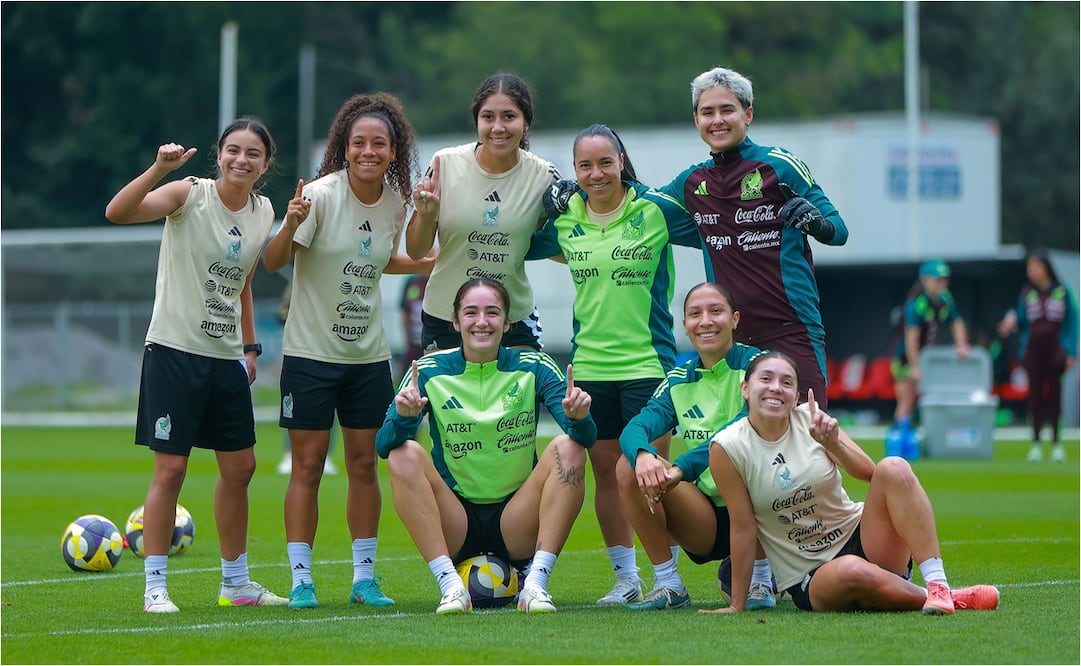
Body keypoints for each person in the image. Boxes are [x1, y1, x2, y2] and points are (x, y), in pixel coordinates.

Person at [544, 67, 848, 406]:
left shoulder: (780, 165)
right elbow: (634, 202)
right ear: (696, 120)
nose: (717, 120)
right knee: (737, 448)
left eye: (727, 110)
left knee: (811, 436)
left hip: (791, 328)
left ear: (748, 114)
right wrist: (576, 191)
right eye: (708, 112)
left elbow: (838, 232)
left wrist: (815, 222)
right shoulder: (691, 183)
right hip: (727, 335)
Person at [104, 117, 287, 613]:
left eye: (253, 153)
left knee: (241, 466)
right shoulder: (188, 193)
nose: (241, 160)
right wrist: (158, 169)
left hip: (225, 358)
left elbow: (243, 283)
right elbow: (117, 212)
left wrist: (250, 348)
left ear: (266, 165)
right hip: (172, 352)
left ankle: (236, 583)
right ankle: (155, 585)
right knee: (172, 470)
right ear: (219, 154)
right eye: (233, 150)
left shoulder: (263, 210)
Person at [263, 92, 432, 610]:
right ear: (344, 146)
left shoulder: (396, 203)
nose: (368, 152)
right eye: (358, 142)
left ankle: (364, 579)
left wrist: (432, 262)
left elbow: (377, 261)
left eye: (379, 144)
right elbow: (272, 263)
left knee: (364, 465)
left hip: (367, 359)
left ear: (394, 150)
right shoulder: (318, 195)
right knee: (308, 466)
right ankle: (300, 581)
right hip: (310, 356)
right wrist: (289, 224)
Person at [528, 124, 701, 606]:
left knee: (648, 473)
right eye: (585, 165)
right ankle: (627, 579)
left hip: (650, 366)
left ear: (621, 161)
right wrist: (544, 208)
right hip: (590, 368)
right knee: (607, 476)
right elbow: (519, 244)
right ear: (575, 170)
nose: (596, 173)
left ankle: (668, 578)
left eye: (605, 162)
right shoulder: (568, 219)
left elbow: (715, 233)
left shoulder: (655, 210)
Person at [703, 350, 1000, 615]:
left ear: (796, 397)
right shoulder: (727, 447)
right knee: (850, 570)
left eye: (786, 382)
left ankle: (938, 584)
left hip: (862, 537)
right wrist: (736, 604)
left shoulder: (812, 419)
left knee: (894, 466)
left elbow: (871, 473)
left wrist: (833, 444)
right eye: (765, 379)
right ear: (745, 388)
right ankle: (944, 597)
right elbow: (743, 526)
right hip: (812, 574)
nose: (775, 388)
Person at [374, 278, 596, 614]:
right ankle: (450, 586)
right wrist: (405, 418)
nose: (482, 321)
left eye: (492, 313)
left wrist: (578, 418)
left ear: (507, 323)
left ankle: (535, 584)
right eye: (471, 312)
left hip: (515, 520)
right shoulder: (428, 371)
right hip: (456, 522)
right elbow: (383, 445)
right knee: (404, 453)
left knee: (569, 447)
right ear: (455, 322)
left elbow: (585, 438)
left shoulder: (533, 366)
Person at [616, 282, 777, 611]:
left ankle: (762, 580)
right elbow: (637, 426)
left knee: (758, 455)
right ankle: (668, 583)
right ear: (685, 326)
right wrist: (644, 454)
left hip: (763, 513)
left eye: (715, 311)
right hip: (704, 518)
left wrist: (681, 468)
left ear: (734, 319)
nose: (705, 321)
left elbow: (745, 428)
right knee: (627, 466)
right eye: (695, 314)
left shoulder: (759, 366)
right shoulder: (679, 378)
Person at [407, 72, 560, 353]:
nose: (498, 127)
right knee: (448, 400)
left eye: (509, 117)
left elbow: (555, 245)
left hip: (512, 320)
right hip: (446, 317)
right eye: (488, 117)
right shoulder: (445, 164)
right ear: (477, 120)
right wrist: (427, 214)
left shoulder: (544, 176)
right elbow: (417, 251)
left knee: (519, 399)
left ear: (526, 122)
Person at [997, 251, 1079, 462]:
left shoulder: (1062, 290)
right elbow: (1021, 318)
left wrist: (1071, 352)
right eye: (1029, 268)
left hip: (1055, 351)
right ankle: (1035, 444)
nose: (1031, 272)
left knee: (1054, 397)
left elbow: (1072, 321)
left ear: (1046, 267)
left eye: (1035, 267)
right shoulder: (1027, 292)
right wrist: (1011, 320)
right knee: (1035, 398)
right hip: (1033, 351)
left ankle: (1056, 444)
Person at [890, 259, 970, 431]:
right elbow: (911, 337)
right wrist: (915, 366)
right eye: (937, 279)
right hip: (905, 358)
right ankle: (899, 441)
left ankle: (914, 437)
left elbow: (956, 322)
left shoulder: (945, 299)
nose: (942, 283)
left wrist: (961, 344)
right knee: (907, 399)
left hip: (926, 357)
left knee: (925, 398)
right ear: (925, 280)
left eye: (944, 279)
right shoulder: (917, 303)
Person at [273, 279, 337, 476]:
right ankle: (288, 454)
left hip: (332, 351)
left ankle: (326, 456)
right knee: (293, 406)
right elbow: (282, 313)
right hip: (302, 350)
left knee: (330, 407)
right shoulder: (299, 279)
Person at [397, 273, 429, 381]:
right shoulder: (411, 281)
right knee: (407, 378)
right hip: (413, 343)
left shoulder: (440, 279)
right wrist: (406, 339)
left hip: (433, 344)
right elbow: (405, 312)